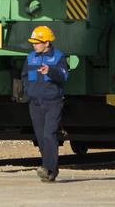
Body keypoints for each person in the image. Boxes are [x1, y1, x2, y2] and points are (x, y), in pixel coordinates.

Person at [23, 25, 69, 182]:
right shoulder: (30, 57)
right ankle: (50, 171)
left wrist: (50, 71)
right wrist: (28, 91)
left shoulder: (58, 57)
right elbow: (24, 75)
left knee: (49, 135)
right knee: (41, 137)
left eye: (37, 42)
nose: (34, 45)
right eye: (33, 42)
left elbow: (63, 76)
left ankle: (47, 168)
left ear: (47, 43)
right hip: (35, 104)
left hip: (53, 103)